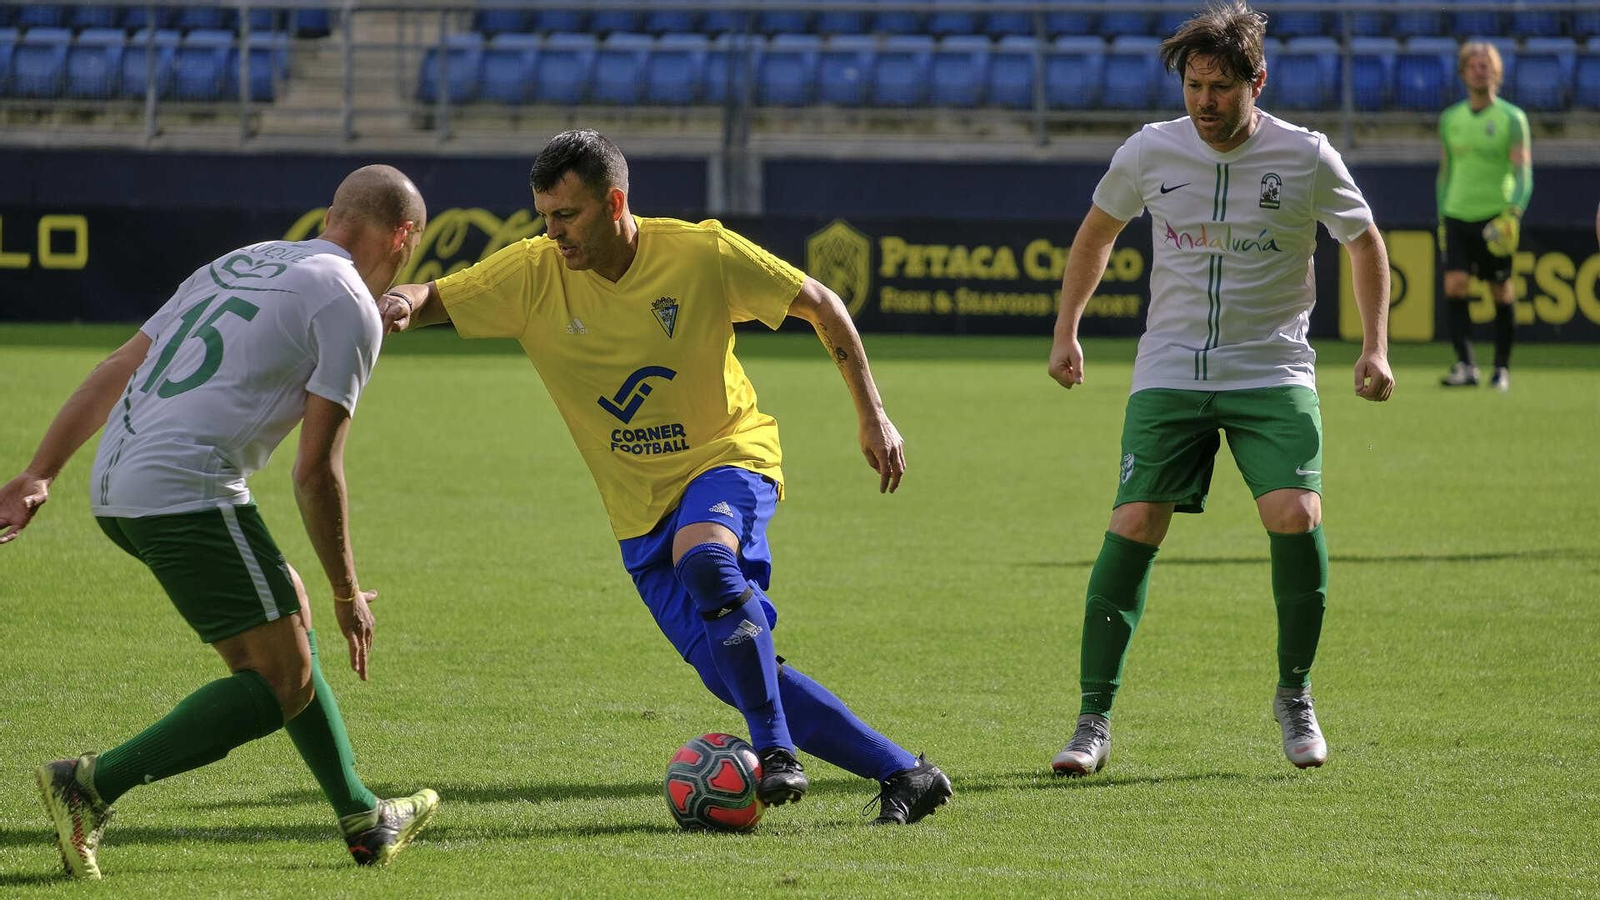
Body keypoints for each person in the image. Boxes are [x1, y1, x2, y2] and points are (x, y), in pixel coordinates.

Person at [379, 129, 952, 825]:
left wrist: (874, 415)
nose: (553, 233)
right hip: (636, 517)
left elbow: (821, 304)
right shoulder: (530, 273)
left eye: (567, 216)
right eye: (544, 217)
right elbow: (431, 294)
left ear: (614, 202)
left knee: (706, 556)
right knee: (730, 670)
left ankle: (774, 752)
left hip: (730, 457)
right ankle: (905, 774)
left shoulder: (699, 251)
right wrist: (402, 304)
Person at [0, 165, 440, 878]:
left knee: (282, 623)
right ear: (405, 235)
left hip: (117, 482)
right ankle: (87, 786)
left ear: (332, 216)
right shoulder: (351, 303)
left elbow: (120, 365)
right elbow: (315, 472)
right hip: (187, 488)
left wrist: (40, 470)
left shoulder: (238, 262)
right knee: (280, 682)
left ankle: (362, 815)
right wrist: (346, 590)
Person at [1045, 2, 1394, 777]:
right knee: (1135, 521)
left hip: (1272, 367)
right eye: (1194, 86)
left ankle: (1295, 695)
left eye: (1220, 88)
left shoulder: (1306, 156)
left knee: (1296, 514)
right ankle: (1091, 719)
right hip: (1169, 368)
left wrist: (1375, 345)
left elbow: (1365, 243)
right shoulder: (1149, 151)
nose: (1203, 102)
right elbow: (1095, 235)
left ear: (1255, 82)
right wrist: (1067, 328)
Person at [1437, 42, 1533, 392]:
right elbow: (1445, 172)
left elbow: (1524, 172)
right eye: (1474, 65)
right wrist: (1442, 218)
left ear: (1497, 72)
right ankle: (1465, 365)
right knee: (1455, 286)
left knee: (1500, 292)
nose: (1481, 70)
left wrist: (1513, 213)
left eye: (1487, 65)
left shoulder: (1512, 118)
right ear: (1463, 73)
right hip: (1457, 215)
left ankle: (1501, 369)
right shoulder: (1450, 119)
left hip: (1495, 217)